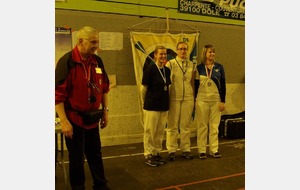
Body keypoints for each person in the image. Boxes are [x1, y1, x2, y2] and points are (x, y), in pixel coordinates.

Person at [55, 26, 110, 190]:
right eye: (93, 42)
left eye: (97, 42)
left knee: (95, 155)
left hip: (93, 119)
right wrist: (64, 122)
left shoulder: (97, 61)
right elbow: (57, 96)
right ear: (80, 41)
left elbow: (105, 88)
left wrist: (105, 112)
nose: (96, 46)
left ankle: (100, 185)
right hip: (74, 121)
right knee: (77, 159)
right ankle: (78, 187)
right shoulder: (67, 62)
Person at [140, 45, 171, 167]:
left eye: (164, 54)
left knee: (159, 132)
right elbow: (143, 89)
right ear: (155, 55)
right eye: (160, 54)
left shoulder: (167, 70)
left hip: (163, 106)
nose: (163, 56)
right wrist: (145, 103)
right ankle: (148, 154)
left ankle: (156, 152)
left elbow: (167, 87)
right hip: (151, 106)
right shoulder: (150, 70)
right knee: (150, 131)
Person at [165, 42, 196, 161]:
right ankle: (171, 150)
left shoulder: (191, 64)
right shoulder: (171, 64)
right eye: (181, 49)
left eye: (185, 49)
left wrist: (193, 97)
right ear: (177, 50)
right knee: (172, 125)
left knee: (185, 126)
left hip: (188, 97)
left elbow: (192, 82)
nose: (183, 51)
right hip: (174, 97)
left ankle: (185, 149)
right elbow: (167, 82)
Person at [194, 44, 226, 159]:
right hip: (201, 100)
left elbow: (223, 85)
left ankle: (214, 149)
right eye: (209, 52)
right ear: (205, 54)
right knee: (202, 126)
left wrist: (223, 101)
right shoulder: (199, 68)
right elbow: (195, 85)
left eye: (213, 52)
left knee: (214, 126)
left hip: (216, 100)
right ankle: (202, 150)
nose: (212, 54)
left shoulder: (219, 67)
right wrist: (194, 100)